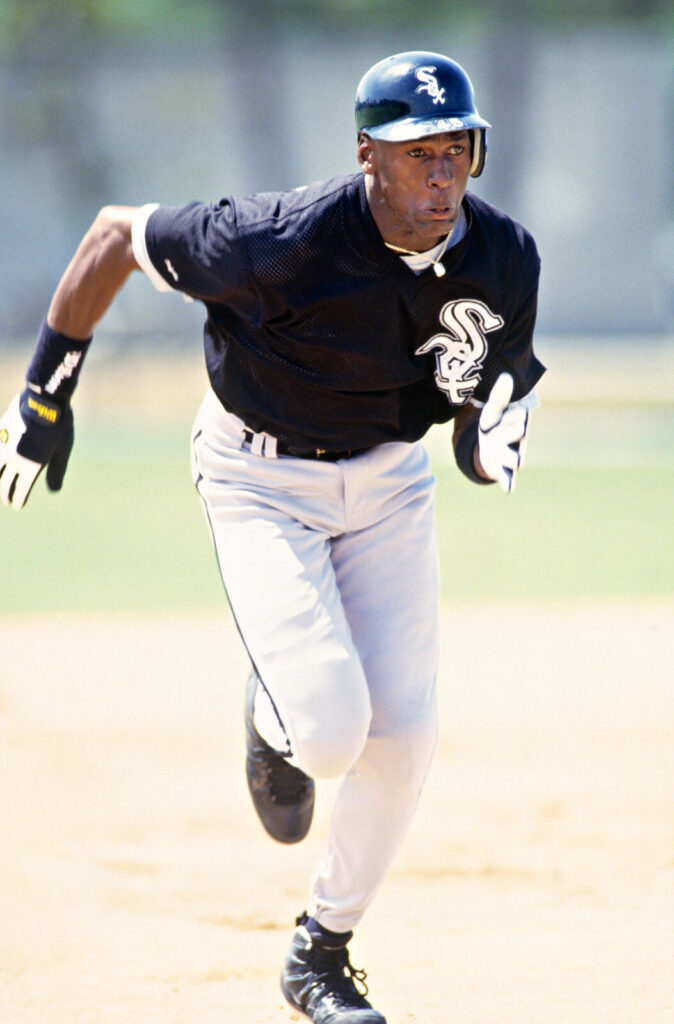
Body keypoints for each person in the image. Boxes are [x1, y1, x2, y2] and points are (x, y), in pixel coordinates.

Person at [0, 51, 544, 1024]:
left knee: (404, 733)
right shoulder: (278, 239)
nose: (440, 175)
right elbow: (115, 234)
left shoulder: (501, 257)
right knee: (331, 729)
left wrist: (484, 443)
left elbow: (478, 409)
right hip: (259, 474)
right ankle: (278, 713)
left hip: (386, 481)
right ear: (365, 157)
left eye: (455, 150)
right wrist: (47, 386)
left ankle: (318, 952)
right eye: (416, 153)